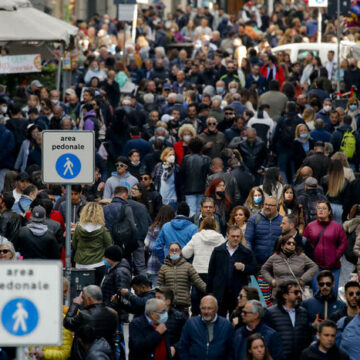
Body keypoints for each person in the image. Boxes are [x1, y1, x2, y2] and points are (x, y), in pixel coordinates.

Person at [207, 225, 258, 317]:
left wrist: (243, 267)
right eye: (233, 236)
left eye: (238, 236)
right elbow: (211, 272)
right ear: (227, 236)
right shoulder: (218, 251)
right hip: (220, 294)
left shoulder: (246, 253)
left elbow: (255, 268)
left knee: (236, 320)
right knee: (219, 321)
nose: (236, 239)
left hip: (237, 295)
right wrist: (210, 292)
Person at [182, 216, 226, 315]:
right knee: (212, 300)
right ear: (215, 225)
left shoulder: (197, 236)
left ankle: (195, 319)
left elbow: (185, 253)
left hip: (198, 272)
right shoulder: (220, 238)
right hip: (214, 273)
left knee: (196, 301)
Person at [303, 201, 347, 293]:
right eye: (319, 208)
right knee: (317, 293)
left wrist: (336, 256)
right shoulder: (310, 226)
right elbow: (304, 244)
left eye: (324, 208)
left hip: (333, 267)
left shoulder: (337, 227)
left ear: (329, 211)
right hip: (315, 267)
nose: (321, 210)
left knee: (333, 293)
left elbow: (343, 243)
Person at [63, 285, 118, 360]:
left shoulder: (84, 315)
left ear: (88, 299)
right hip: (107, 354)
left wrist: (75, 304)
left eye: (83, 298)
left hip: (87, 355)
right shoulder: (113, 314)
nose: (83, 301)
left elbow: (67, 323)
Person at [178, 295, 234, 360]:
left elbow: (231, 350)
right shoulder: (191, 323)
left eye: (209, 308)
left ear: (216, 309)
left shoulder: (226, 325)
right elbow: (182, 346)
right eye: (203, 308)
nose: (206, 312)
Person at [157, 241, 206, 314]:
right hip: (168, 307)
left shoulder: (188, 267)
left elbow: (198, 282)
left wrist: (210, 291)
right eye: (172, 250)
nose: (174, 252)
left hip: (183, 307)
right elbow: (159, 286)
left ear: (180, 252)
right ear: (168, 252)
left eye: (176, 250)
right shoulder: (164, 268)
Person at [266, 280, 310, 360]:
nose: (299, 295)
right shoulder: (271, 313)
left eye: (299, 292)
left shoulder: (303, 312)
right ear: (285, 295)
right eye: (296, 292)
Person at [72, 202, 112, 285]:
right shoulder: (103, 230)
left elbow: (74, 245)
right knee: (95, 292)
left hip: (80, 264)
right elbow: (109, 246)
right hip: (98, 264)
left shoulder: (78, 228)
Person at [245, 196, 283, 266]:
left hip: (277, 263)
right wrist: (250, 256)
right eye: (266, 204)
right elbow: (247, 240)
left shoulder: (283, 221)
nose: (267, 207)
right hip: (257, 262)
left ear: (276, 207)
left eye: (270, 205)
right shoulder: (254, 220)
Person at [145, 205, 175, 286]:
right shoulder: (173, 229)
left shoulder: (153, 228)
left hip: (155, 265)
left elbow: (148, 246)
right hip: (171, 266)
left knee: (156, 293)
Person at [181, 136, 211, 216]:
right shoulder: (206, 159)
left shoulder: (186, 159)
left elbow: (182, 174)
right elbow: (209, 174)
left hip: (189, 189)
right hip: (202, 188)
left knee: (191, 210)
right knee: (200, 210)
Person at [155, 287, 187, 357]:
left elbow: (185, 338)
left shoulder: (179, 317)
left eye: (159, 298)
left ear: (168, 301)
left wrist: (175, 347)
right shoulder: (150, 316)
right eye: (155, 298)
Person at [320, 159, 349, 224]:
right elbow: (347, 199)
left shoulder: (324, 179)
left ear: (330, 167)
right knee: (338, 230)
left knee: (326, 228)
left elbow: (321, 194)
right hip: (340, 208)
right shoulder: (346, 182)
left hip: (327, 206)